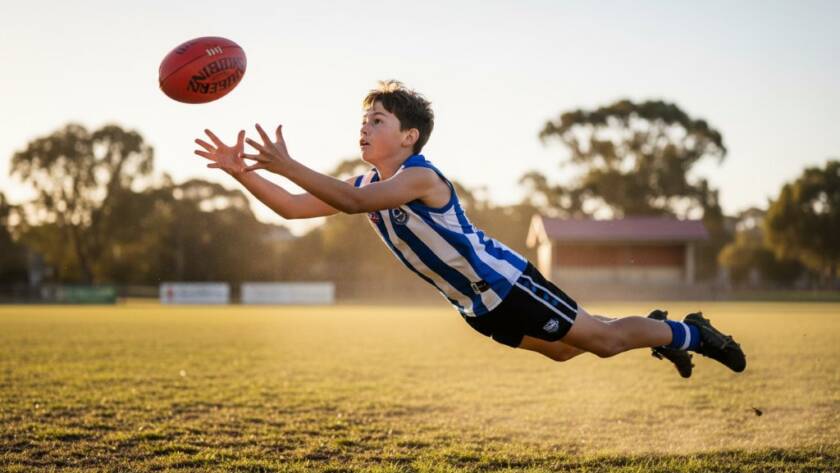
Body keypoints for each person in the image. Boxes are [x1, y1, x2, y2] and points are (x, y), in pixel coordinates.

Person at [193, 80, 745, 377]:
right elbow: (293, 209)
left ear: (409, 136)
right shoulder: (366, 183)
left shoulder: (419, 177)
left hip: (506, 282)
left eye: (377, 120)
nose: (364, 127)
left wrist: (287, 163)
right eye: (362, 120)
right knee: (566, 351)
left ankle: (692, 333)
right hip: (475, 305)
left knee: (603, 341)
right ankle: (656, 330)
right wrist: (243, 173)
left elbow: (348, 201)